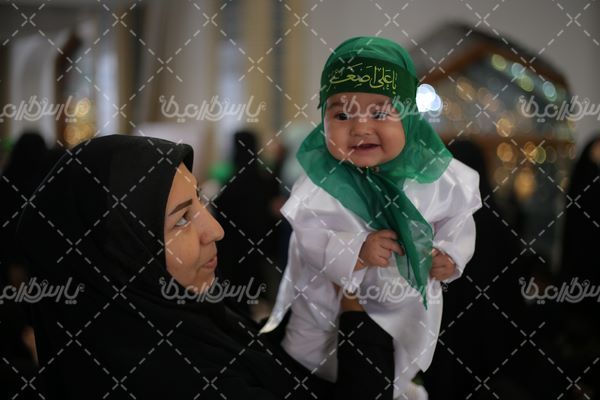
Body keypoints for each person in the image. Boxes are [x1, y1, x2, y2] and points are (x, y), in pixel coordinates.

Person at [15, 134, 395, 400]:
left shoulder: (184, 320)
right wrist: (357, 312)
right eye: (182, 219)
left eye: (199, 201)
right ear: (121, 253)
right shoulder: (171, 380)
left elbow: (264, 357)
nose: (215, 229)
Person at [261, 37, 482, 400]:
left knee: (396, 371)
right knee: (309, 366)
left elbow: (457, 219)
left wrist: (451, 253)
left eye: (380, 114)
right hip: (324, 307)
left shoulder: (432, 175)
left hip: (401, 301)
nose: (360, 128)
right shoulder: (322, 182)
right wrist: (356, 249)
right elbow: (308, 236)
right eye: (341, 115)